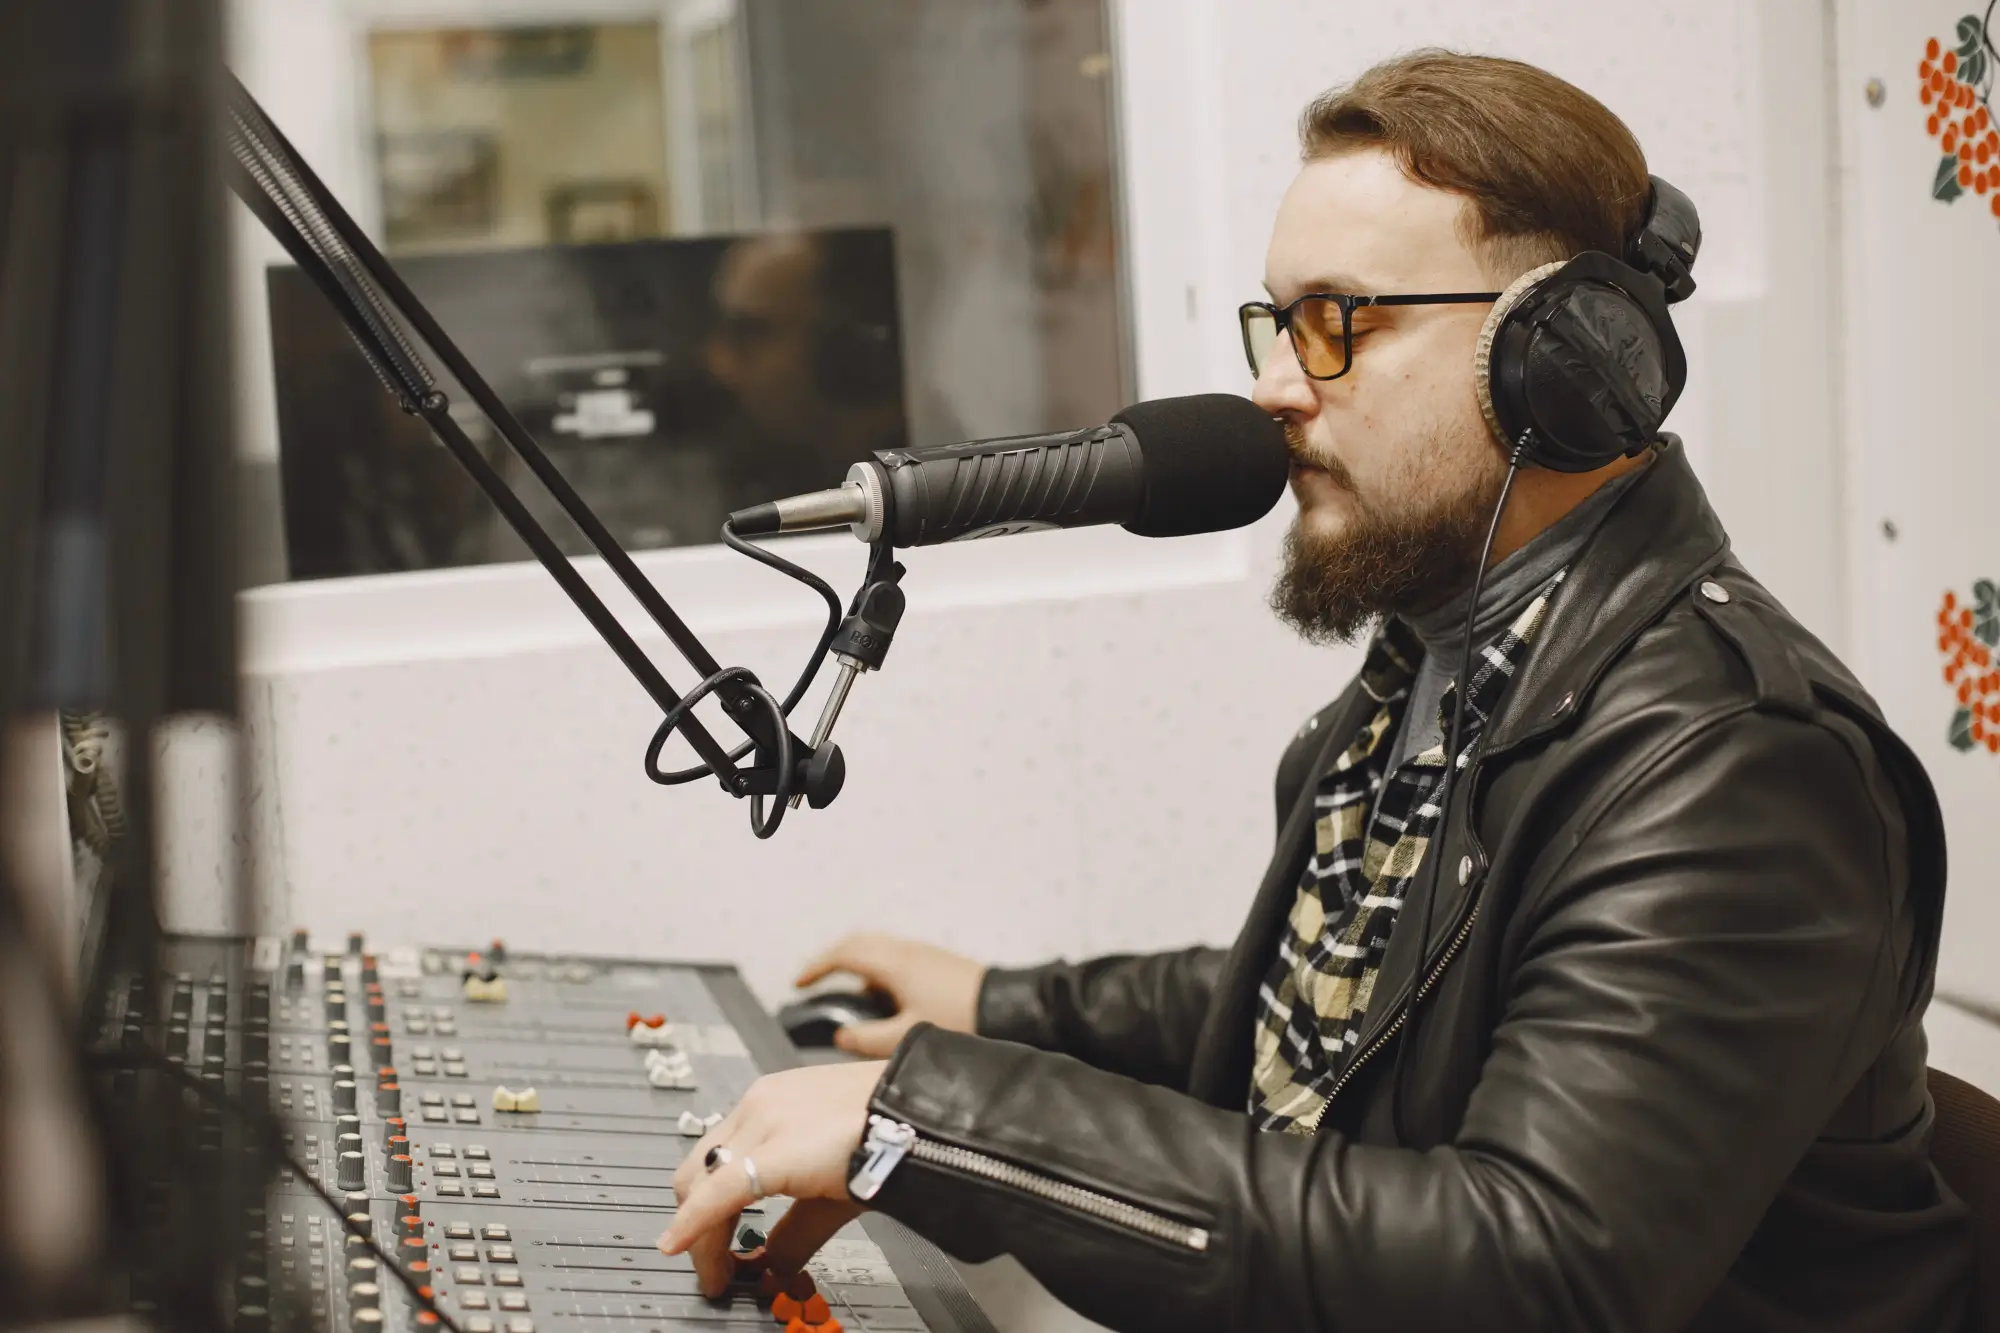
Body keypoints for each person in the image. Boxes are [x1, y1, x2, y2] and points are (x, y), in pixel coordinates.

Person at [658, 51, 1975, 1332]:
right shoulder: (1441, 663)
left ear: (1560, 365)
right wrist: (1006, 1007)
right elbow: (1335, 993)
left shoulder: (1733, 768)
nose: (1276, 387)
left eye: (1341, 322)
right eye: (1278, 323)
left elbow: (1533, 1269)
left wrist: (941, 1128)